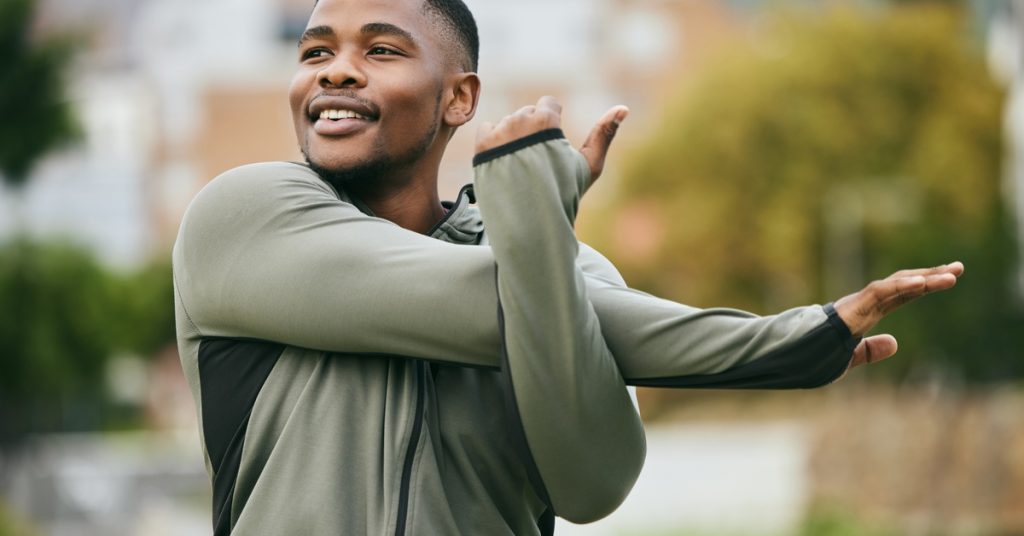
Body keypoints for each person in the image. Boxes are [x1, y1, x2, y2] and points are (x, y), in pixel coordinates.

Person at [171, 0, 964, 534]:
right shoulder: (243, 218)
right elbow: (484, 302)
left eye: (380, 50)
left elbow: (595, 485)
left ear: (458, 98)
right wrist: (795, 342)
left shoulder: (565, 266)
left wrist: (533, 223)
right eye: (315, 52)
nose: (334, 71)